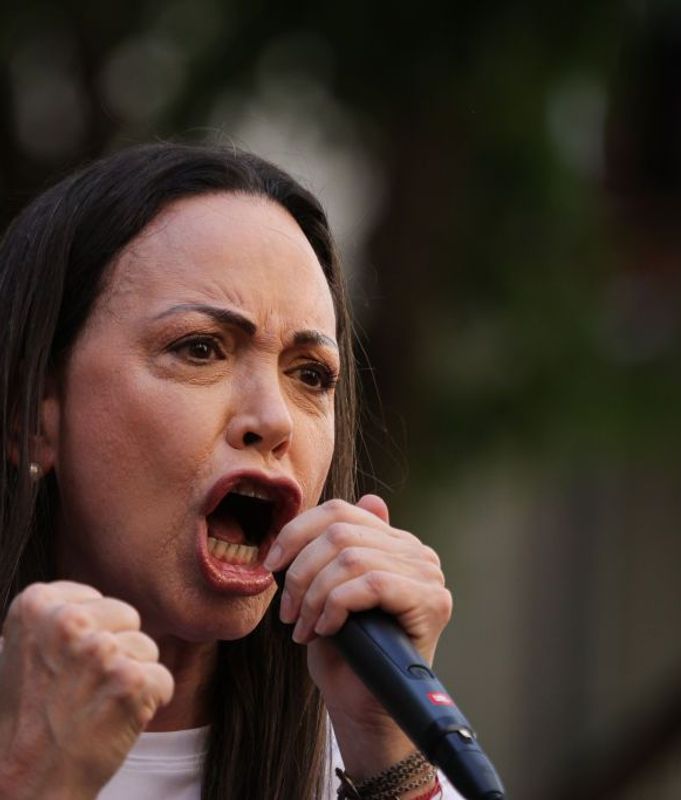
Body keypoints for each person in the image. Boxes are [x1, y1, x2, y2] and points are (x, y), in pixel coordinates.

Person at [0, 143, 458, 799]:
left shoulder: (370, 754)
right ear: (30, 418)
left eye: (310, 375)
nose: (274, 420)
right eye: (199, 349)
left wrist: (390, 747)